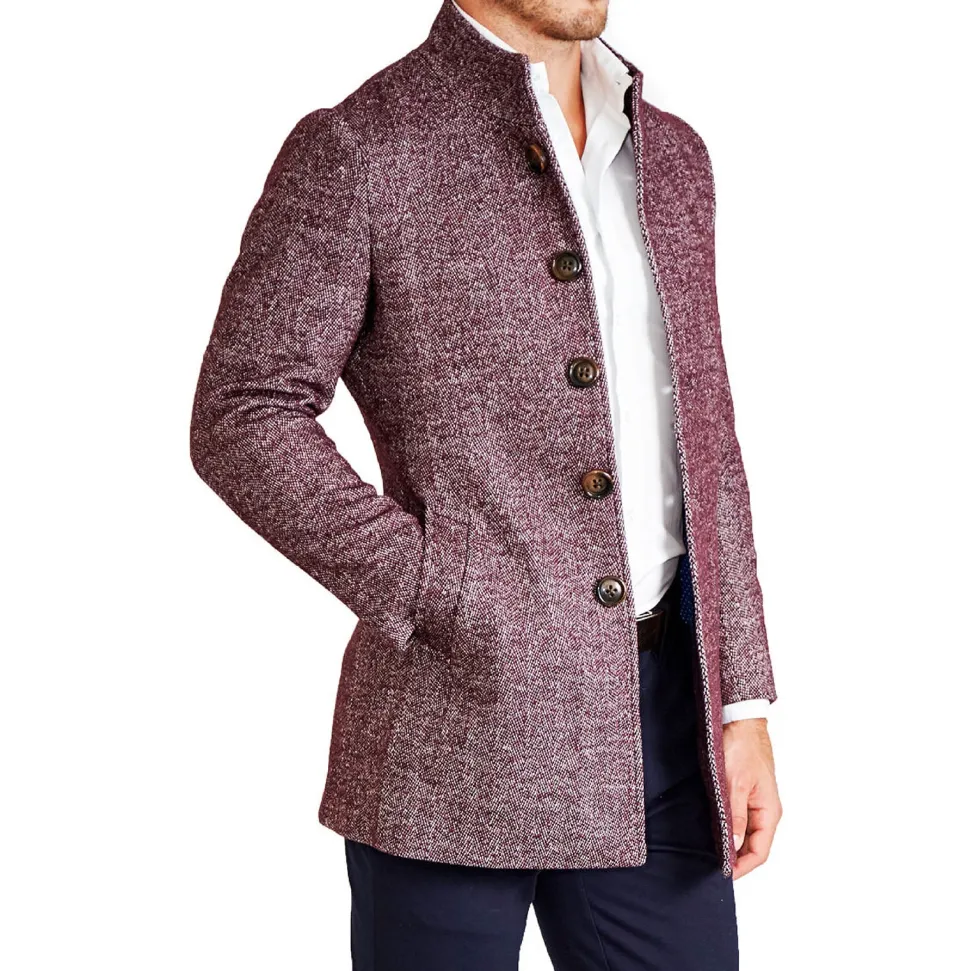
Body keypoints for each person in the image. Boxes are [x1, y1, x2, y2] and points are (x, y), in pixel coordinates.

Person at [189, 1, 782, 967]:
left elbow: (707, 442)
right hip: (452, 735)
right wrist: (443, 586)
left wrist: (739, 702)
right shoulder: (362, 149)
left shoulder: (674, 154)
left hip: (666, 726)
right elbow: (244, 411)